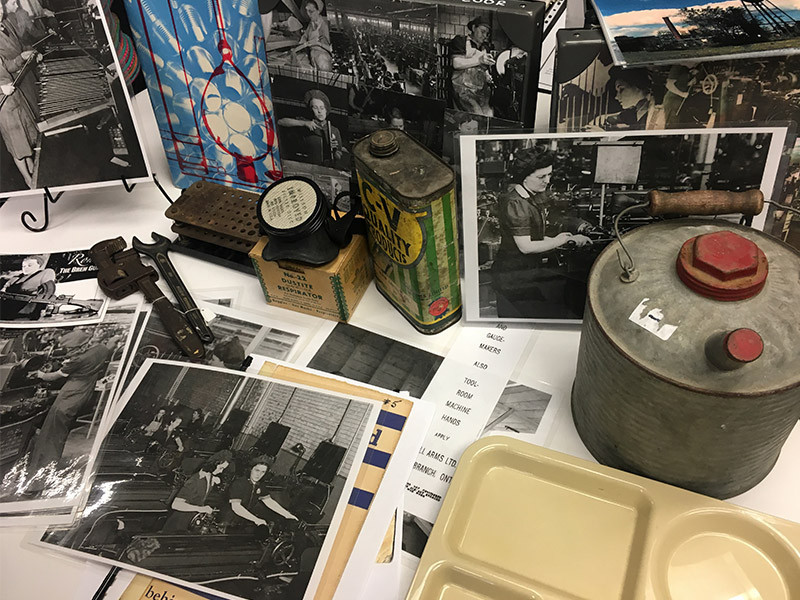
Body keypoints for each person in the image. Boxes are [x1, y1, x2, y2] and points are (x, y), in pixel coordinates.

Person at [490, 146, 592, 319]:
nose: (547, 180)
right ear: (524, 177)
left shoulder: (529, 198)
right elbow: (525, 246)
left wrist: (565, 238)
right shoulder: (515, 203)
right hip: (512, 278)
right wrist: (558, 241)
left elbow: (534, 236)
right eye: (541, 176)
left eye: (549, 175)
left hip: (524, 274)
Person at [24, 331, 119, 489]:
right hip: (84, 394)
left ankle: (39, 480)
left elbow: (55, 376)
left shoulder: (77, 359)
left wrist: (40, 374)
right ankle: (41, 469)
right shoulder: (101, 350)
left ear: (81, 346)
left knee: (50, 436)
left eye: (70, 348)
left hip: (69, 396)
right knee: (59, 433)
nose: (68, 352)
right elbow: (110, 344)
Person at [0, 1, 39, 188]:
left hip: (14, 95)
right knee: (16, 143)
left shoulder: (1, 27)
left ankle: (33, 167)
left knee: (24, 134)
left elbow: (5, 66)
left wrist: (20, 59)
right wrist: (0, 89)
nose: (1, 11)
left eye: (0, 7)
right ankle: (27, 179)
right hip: (3, 102)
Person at [161, 450, 233, 532]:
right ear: (214, 463)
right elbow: (176, 505)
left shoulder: (209, 475)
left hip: (191, 522)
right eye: (221, 468)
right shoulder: (194, 481)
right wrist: (201, 509)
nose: (221, 471)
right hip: (179, 524)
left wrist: (215, 480)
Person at [277, 89, 346, 169]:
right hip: (308, 168)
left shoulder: (334, 130)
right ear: (311, 110)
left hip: (328, 169)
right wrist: (303, 123)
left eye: (322, 108)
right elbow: (281, 122)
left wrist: (334, 151)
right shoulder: (306, 124)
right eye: (315, 108)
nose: (319, 111)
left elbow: (339, 156)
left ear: (326, 110)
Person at [224, 457, 298, 531]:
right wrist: (256, 520)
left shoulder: (259, 485)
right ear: (250, 469)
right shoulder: (239, 483)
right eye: (257, 470)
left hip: (244, 519)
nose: (259, 474)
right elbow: (236, 507)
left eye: (263, 472)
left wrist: (288, 515)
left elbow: (269, 502)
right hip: (227, 521)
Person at [588, 68, 664, 130]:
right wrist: (602, 118)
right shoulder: (637, 109)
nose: (617, 97)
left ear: (638, 85)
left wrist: (606, 135)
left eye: (621, 89)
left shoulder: (657, 109)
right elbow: (621, 117)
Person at [448, 15, 494, 117]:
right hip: (463, 91)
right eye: (482, 31)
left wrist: (487, 75)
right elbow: (456, 63)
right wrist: (479, 60)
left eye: (487, 33)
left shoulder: (485, 47)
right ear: (473, 28)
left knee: (489, 115)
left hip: (480, 92)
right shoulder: (460, 41)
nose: (485, 36)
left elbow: (484, 68)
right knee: (476, 115)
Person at [0, 254, 56, 321]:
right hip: (8, 306)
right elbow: (4, 289)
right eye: (23, 266)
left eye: (30, 265)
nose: (25, 268)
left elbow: (47, 290)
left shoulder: (45, 273)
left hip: (26, 308)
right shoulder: (16, 278)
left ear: (39, 265)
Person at [291, 0, 332, 71]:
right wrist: (302, 43)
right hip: (313, 57)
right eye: (307, 11)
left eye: (311, 11)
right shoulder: (311, 24)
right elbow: (305, 36)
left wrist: (318, 44)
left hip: (323, 59)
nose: (308, 14)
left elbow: (331, 49)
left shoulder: (325, 25)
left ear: (318, 11)